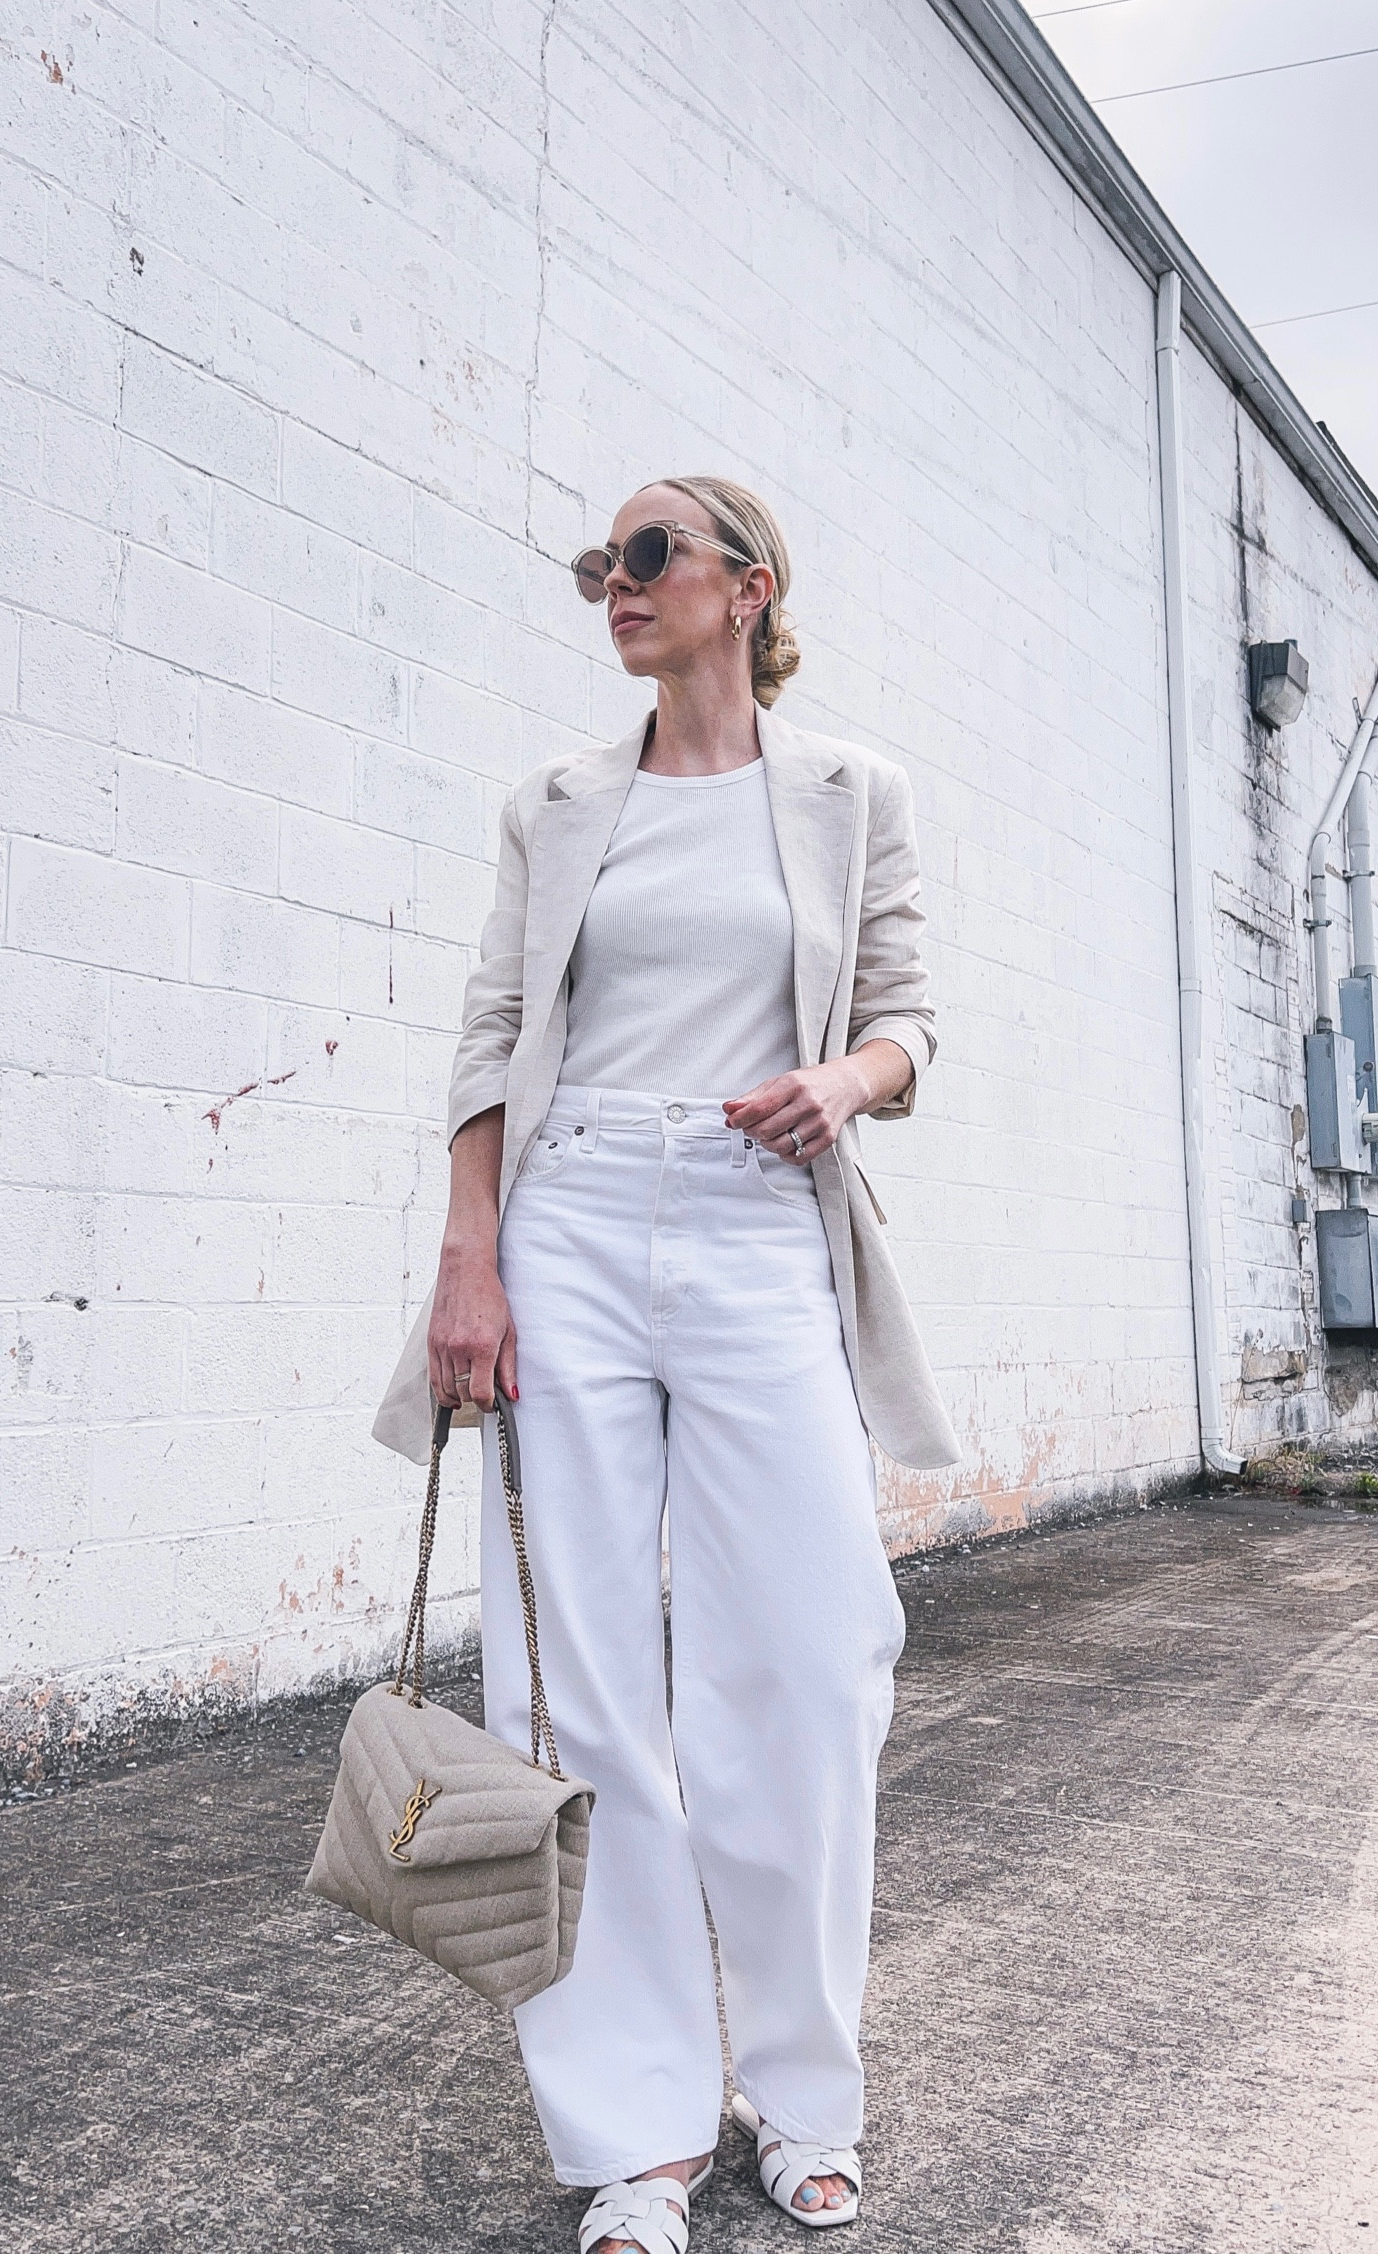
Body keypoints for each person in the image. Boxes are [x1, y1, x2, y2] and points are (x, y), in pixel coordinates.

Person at [372, 475, 959, 2254]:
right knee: (577, 1688)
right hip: (566, 1218)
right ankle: (633, 2134)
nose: (610, 589)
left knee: (809, 1647)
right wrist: (466, 1261)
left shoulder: (851, 792)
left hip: (757, 1212)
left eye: (643, 558)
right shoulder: (555, 805)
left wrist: (843, 1086)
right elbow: (490, 1033)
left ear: (743, 583)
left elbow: (908, 1014)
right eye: (593, 568)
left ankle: (803, 2092)